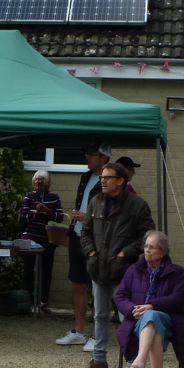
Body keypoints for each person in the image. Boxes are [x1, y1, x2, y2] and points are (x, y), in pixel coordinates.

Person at [75, 159, 156, 368]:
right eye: (102, 177)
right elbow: (86, 232)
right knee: (100, 315)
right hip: (99, 269)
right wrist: (91, 252)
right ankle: (99, 360)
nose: (102, 181)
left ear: (120, 180)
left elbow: (147, 236)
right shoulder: (95, 202)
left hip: (125, 272)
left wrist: (125, 253)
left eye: (107, 178)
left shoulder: (138, 205)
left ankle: (132, 363)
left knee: (126, 317)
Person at [115, 230, 184, 368]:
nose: (147, 250)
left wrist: (153, 306)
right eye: (145, 246)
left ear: (162, 252)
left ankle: (139, 363)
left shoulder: (177, 272)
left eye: (152, 247)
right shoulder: (133, 270)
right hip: (137, 322)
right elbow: (120, 296)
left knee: (153, 316)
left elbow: (180, 298)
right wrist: (132, 310)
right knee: (155, 330)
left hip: (170, 322)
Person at [57, 144, 110, 348]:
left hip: (96, 241)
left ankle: (98, 336)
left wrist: (90, 217)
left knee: (97, 287)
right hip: (78, 236)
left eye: (91, 154)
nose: (87, 157)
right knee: (78, 283)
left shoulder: (110, 180)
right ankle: (79, 331)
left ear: (103, 157)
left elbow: (113, 211)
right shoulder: (86, 176)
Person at [19, 169, 63, 309]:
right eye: (37, 180)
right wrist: (35, 213)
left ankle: (43, 301)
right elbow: (23, 218)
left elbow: (60, 217)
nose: (39, 182)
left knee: (46, 270)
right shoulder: (29, 197)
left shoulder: (54, 197)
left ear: (47, 183)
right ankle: (26, 301)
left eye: (42, 180)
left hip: (48, 238)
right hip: (30, 237)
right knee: (28, 269)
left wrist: (48, 211)